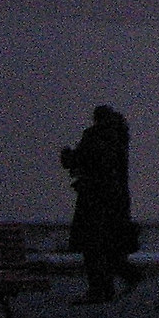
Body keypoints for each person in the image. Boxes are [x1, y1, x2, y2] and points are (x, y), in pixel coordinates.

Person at [62, 105, 141, 305]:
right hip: (116, 201)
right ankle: (116, 281)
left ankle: (100, 288)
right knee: (109, 245)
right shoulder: (120, 138)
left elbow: (80, 160)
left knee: (92, 246)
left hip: (93, 200)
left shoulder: (95, 136)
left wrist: (68, 156)